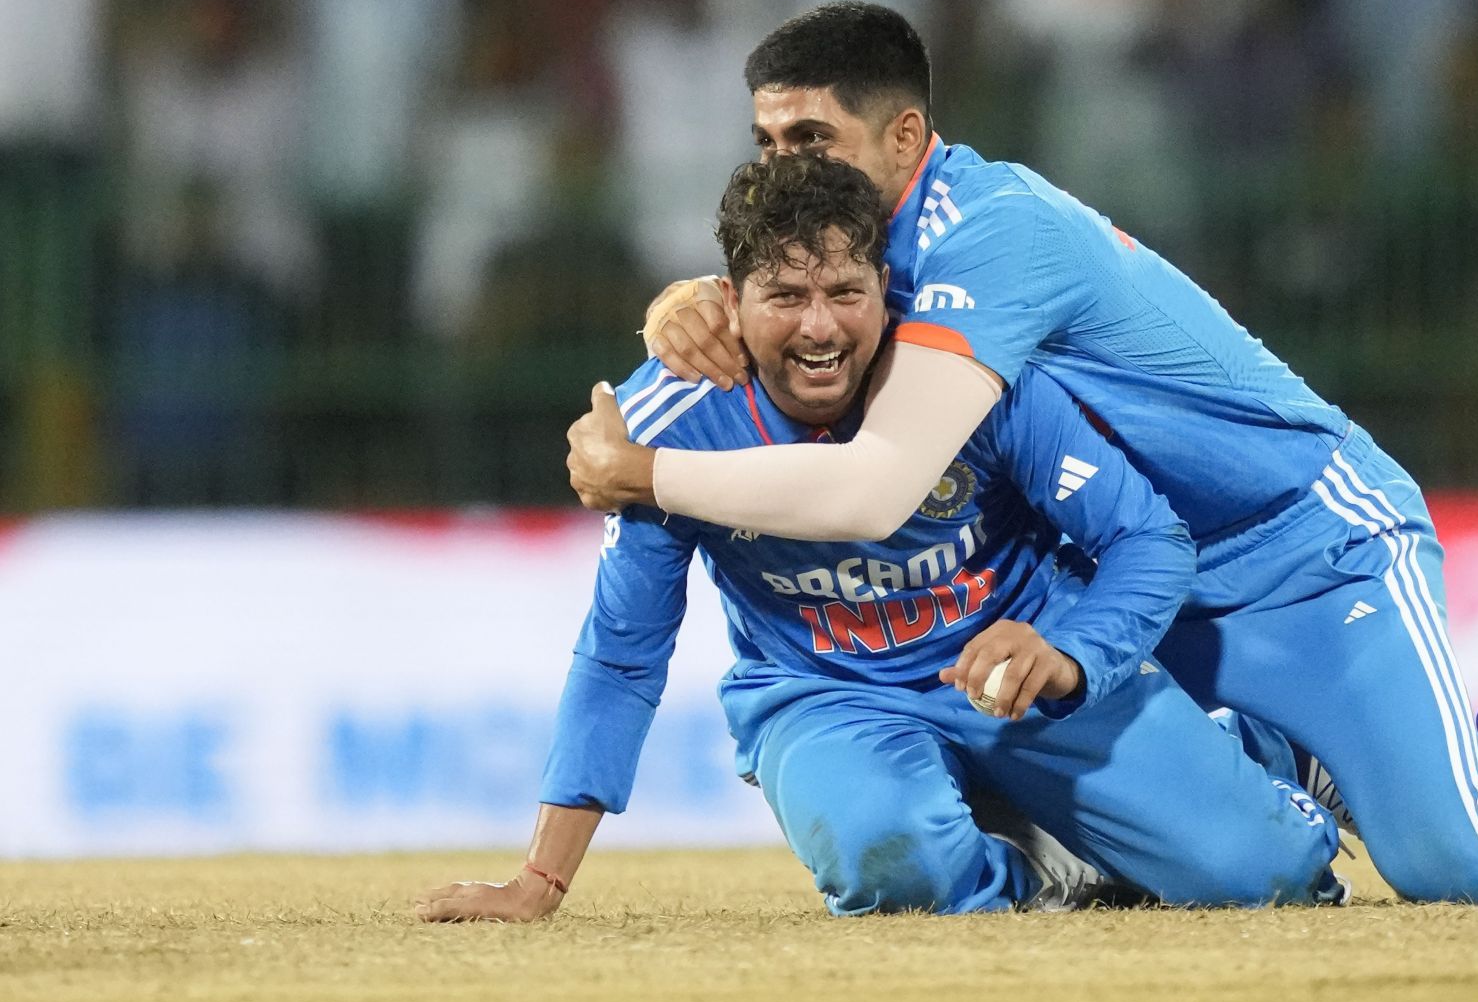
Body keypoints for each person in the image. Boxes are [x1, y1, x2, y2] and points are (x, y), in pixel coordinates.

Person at [564, 1, 1478, 903]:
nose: (780, 168)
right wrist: (691, 304)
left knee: (1452, 868)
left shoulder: (992, 239)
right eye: (765, 142)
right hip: (1124, 568)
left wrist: (640, 475)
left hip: (1296, 549)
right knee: (1195, 837)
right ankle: (1271, 763)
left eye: (809, 136)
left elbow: (873, 485)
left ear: (908, 137)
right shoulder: (857, 255)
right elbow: (798, 306)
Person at [417, 154, 1344, 922]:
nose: (820, 327)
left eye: (845, 291)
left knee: (1259, 877)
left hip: (1020, 672)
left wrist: (1069, 652)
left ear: (886, 290)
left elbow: (1149, 537)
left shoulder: (969, 374)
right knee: (891, 869)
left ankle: (1264, 757)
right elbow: (622, 653)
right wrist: (539, 879)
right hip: (827, 697)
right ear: (727, 302)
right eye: (784, 294)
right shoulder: (665, 420)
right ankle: (1049, 864)